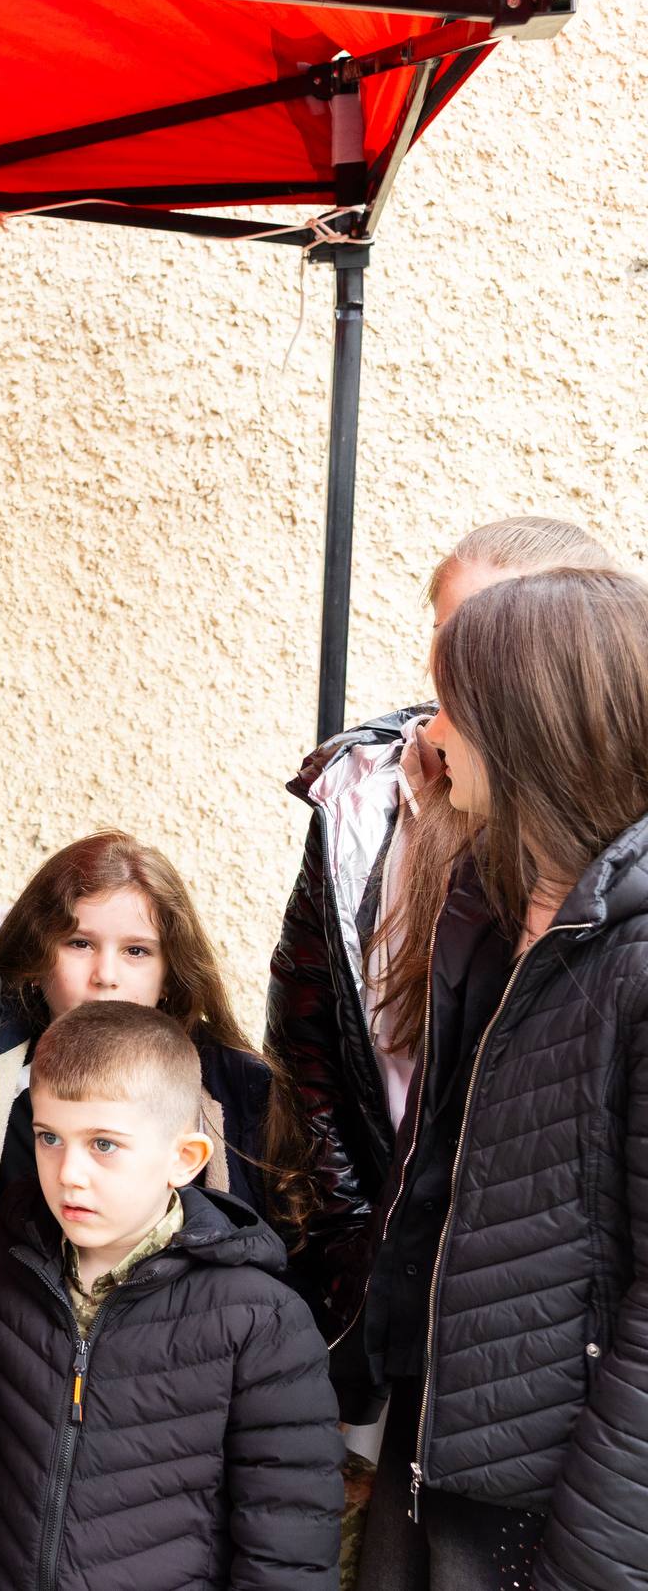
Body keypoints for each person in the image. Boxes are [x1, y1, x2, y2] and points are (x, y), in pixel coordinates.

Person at [351, 567, 648, 1589]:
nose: (431, 730)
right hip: (441, 1448)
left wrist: (586, 1559)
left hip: (563, 1503)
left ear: (530, 729)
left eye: (453, 707)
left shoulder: (635, 961)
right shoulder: (487, 899)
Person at [268, 518, 618, 1374]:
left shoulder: (594, 859)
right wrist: (354, 1252)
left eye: (503, 635)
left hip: (524, 1316)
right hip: (381, 1275)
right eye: (453, 634)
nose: (471, 665)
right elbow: (309, 1035)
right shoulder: (361, 797)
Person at [0, 1001, 343, 1590]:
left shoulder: (260, 1319)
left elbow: (286, 1547)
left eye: (103, 1144)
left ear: (184, 1159)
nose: (69, 1173)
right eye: (49, 1137)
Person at [0, 832, 312, 1249]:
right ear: (37, 961)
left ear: (170, 973)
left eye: (136, 951)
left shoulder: (241, 1092)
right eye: (80, 943)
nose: (106, 975)